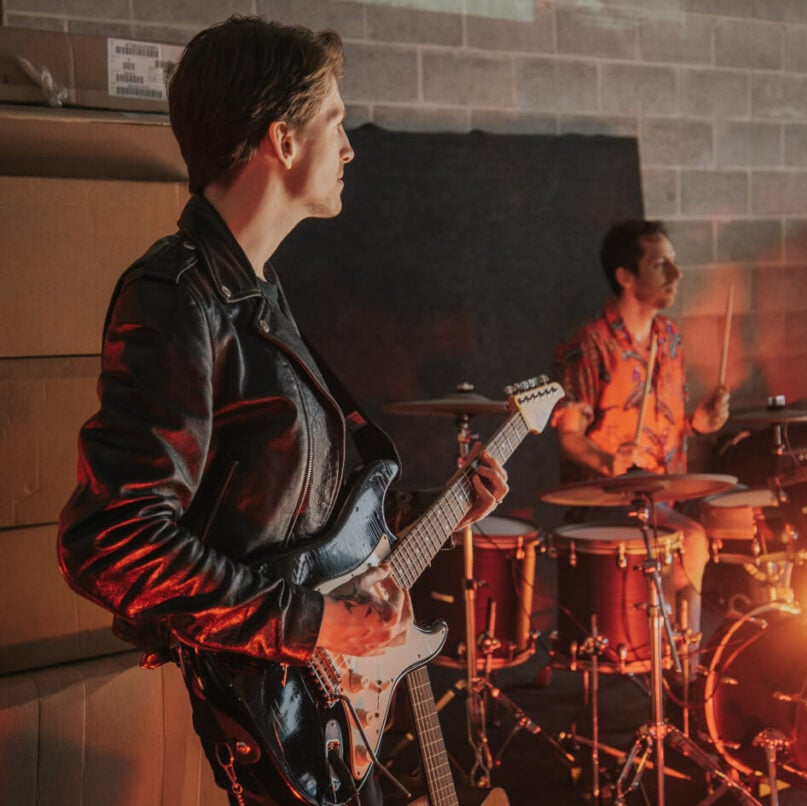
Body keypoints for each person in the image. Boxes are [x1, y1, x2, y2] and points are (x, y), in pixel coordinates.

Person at [56, 16, 508, 806]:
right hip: (275, 705)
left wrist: (427, 511)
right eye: (334, 121)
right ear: (281, 139)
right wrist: (314, 625)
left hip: (318, 703)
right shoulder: (176, 299)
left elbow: (281, 514)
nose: (350, 146)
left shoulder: (255, 292)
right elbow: (112, 541)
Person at [552, 219, 729, 667]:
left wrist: (700, 422)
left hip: (664, 494)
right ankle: (678, 664)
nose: (675, 274)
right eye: (660, 264)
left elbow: (672, 424)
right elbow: (569, 436)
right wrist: (610, 460)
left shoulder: (669, 337)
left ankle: (678, 660)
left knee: (711, 529)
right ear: (626, 277)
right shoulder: (587, 345)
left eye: (673, 263)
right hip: (608, 501)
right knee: (690, 541)